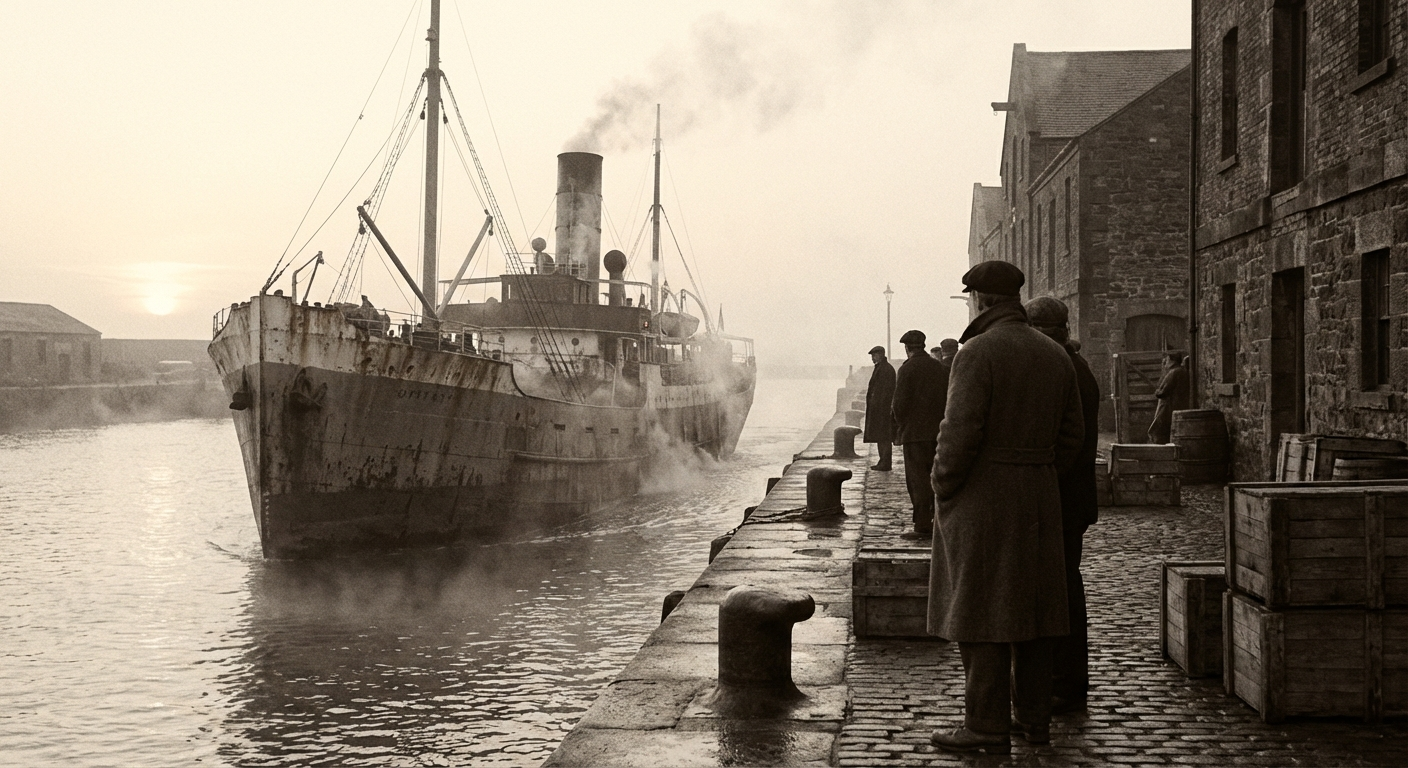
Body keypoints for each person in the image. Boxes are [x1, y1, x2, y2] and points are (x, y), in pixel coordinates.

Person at [928, 261, 1085, 755]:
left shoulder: (976, 353)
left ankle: (984, 724)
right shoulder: (1055, 354)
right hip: (1038, 494)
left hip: (983, 498)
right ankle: (1033, 721)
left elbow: (958, 434)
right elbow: (1073, 436)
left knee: (980, 611)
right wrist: (1037, 476)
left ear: (979, 299)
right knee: (1035, 613)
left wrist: (942, 486)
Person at [1025, 297, 1100, 713]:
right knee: (1065, 587)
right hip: (1071, 498)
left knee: (1061, 592)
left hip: (1061, 498)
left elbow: (1062, 441)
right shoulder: (1076, 365)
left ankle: (1065, 684)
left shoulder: (1064, 368)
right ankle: (1064, 680)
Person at [892, 329, 948, 539]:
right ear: (923, 346)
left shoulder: (907, 369)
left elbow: (899, 405)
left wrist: (900, 426)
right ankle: (937, 520)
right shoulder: (939, 367)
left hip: (914, 434)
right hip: (937, 431)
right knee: (935, 475)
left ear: (907, 348)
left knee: (917, 479)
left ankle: (922, 524)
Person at [864, 346, 896, 471]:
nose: (873, 358)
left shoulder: (885, 369)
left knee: (883, 437)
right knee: (881, 437)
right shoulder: (882, 368)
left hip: (882, 410)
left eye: (875, 355)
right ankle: (883, 461)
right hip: (879, 409)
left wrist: (879, 408)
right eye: (872, 356)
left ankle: (885, 463)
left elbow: (885, 392)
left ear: (881, 355)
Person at [1147, 351, 1190, 444]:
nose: (1164, 362)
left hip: (1169, 407)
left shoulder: (1174, 372)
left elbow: (1161, 393)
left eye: (1166, 359)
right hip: (1178, 405)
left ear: (1171, 360)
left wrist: (1158, 391)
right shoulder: (1181, 371)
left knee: (1158, 432)